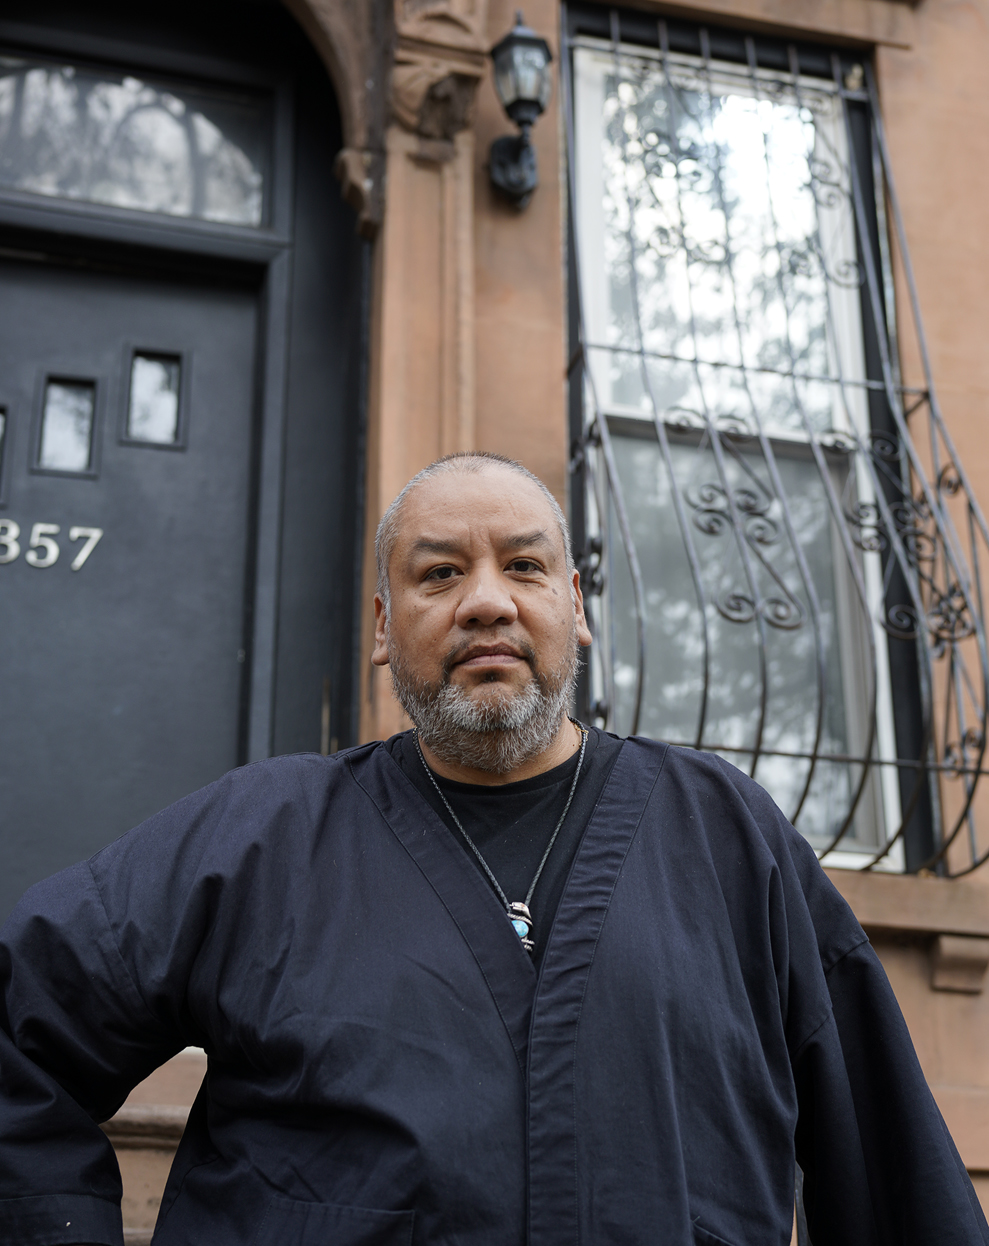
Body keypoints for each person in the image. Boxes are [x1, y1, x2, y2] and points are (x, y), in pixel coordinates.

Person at [0, 451, 986, 1246]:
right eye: (438, 573)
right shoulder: (258, 836)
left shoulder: (728, 837)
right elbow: (21, 1035)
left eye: (522, 567)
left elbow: (887, 1159)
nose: (484, 601)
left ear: (575, 609)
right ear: (385, 629)